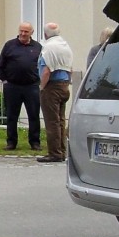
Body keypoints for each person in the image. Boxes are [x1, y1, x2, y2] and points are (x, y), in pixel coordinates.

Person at [0, 22, 43, 152]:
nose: (23, 34)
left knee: (33, 115)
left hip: (31, 86)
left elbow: (42, 66)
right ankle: (11, 142)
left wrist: (38, 81)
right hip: (12, 86)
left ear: (31, 33)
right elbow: (0, 66)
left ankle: (35, 142)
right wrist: (5, 80)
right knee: (11, 116)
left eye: (26, 32)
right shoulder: (9, 45)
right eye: (21, 31)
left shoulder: (38, 47)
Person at [38, 23, 76, 165]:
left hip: (52, 87)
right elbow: (70, 69)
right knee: (60, 120)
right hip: (64, 85)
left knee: (51, 121)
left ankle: (54, 153)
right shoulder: (65, 46)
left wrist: (42, 86)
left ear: (46, 34)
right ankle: (61, 149)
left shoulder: (48, 47)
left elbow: (47, 70)